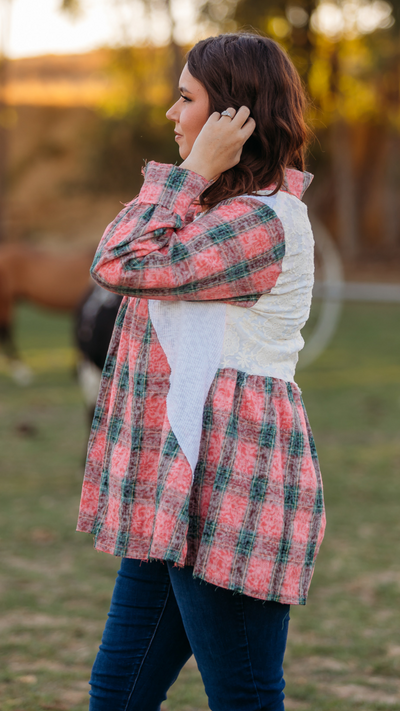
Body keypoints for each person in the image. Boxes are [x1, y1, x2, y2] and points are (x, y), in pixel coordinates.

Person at [77, 32, 326, 711]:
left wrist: (188, 173)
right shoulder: (215, 216)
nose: (170, 113)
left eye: (185, 98)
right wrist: (195, 181)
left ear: (232, 117)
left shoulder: (262, 223)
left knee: (243, 697)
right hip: (176, 490)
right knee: (118, 693)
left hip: (226, 491)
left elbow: (121, 261)